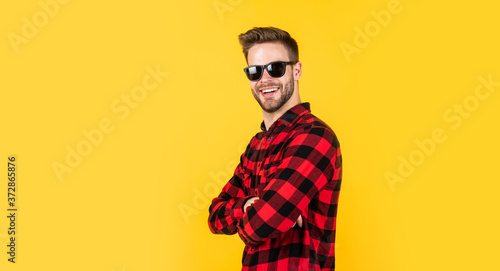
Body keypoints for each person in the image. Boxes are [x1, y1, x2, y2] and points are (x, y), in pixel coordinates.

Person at [208, 26, 342, 271]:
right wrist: (249, 204)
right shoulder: (256, 145)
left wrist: (257, 213)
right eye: (255, 71)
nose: (265, 79)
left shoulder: (315, 137)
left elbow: (263, 224)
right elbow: (215, 216)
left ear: (297, 70)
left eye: (276, 68)